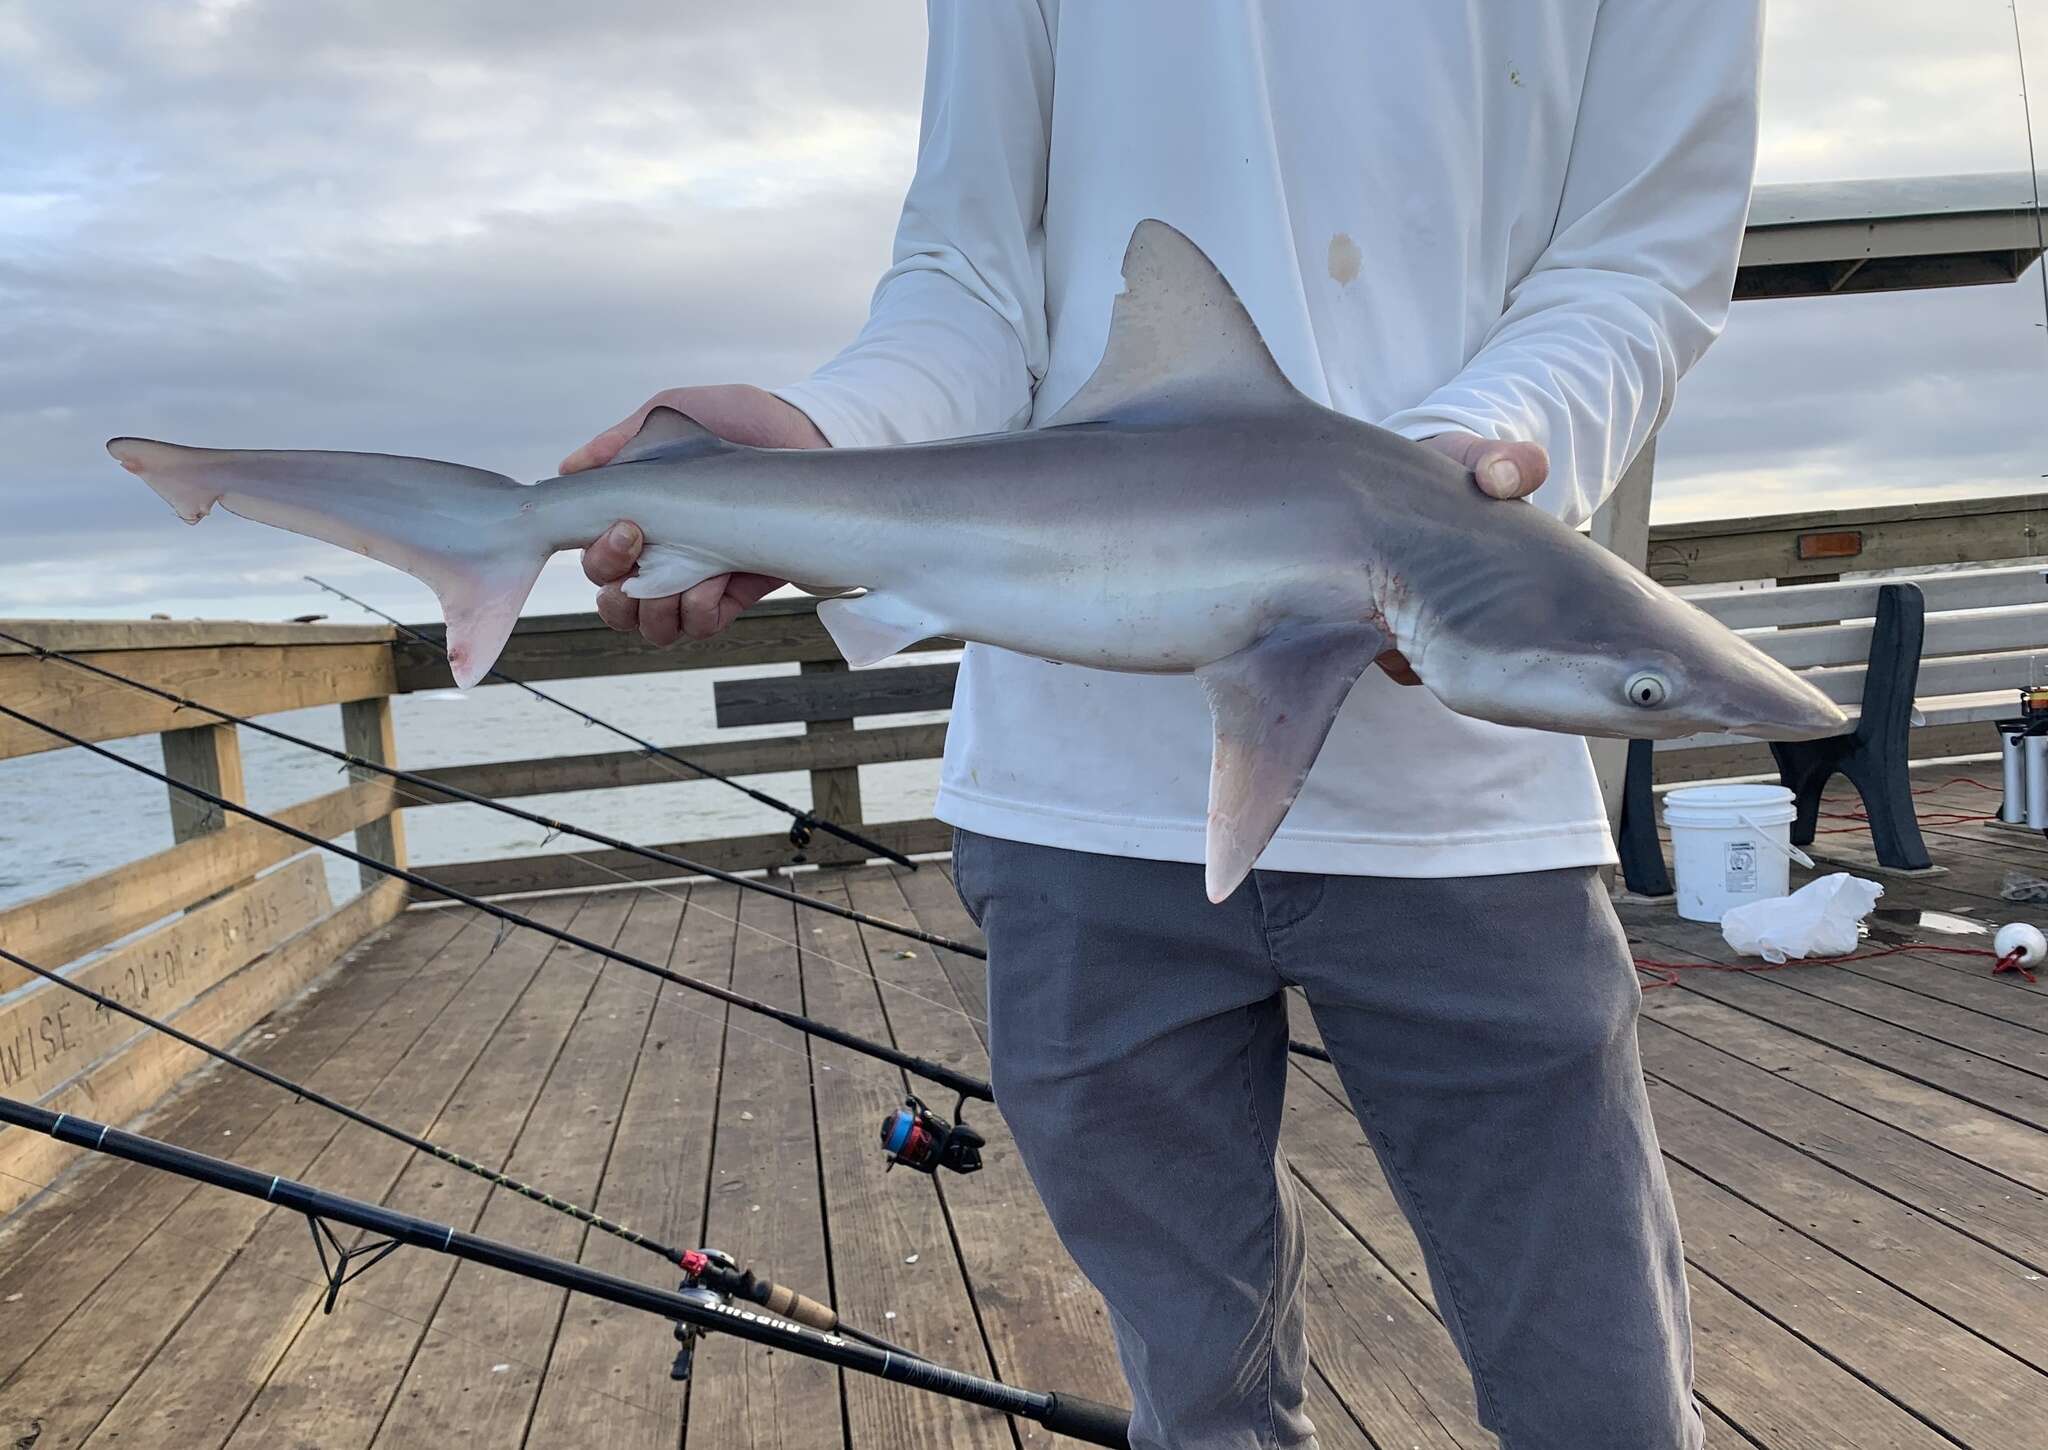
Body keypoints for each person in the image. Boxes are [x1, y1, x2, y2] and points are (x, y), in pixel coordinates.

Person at [567, 4, 1762, 1446]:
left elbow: (1642, 259)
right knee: (1202, 1413)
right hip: (1074, 785)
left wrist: (1451, 472)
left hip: (1468, 791)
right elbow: (972, 278)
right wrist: (829, 435)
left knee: (1609, 1410)